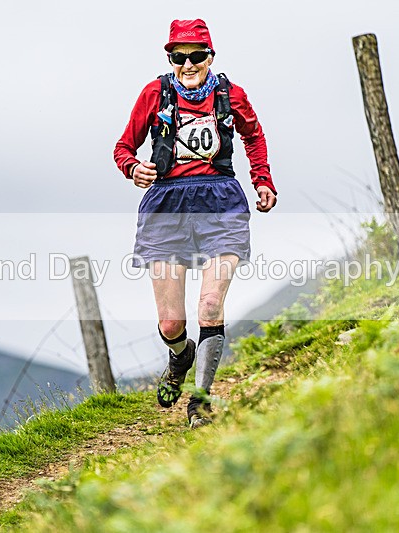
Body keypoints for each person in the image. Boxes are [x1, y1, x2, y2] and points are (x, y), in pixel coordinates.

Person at [114, 19, 277, 429]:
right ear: (169, 57)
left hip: (220, 200)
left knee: (209, 304)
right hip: (166, 205)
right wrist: (133, 168)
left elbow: (253, 136)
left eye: (196, 56)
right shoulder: (155, 93)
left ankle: (200, 403)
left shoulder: (230, 95)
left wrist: (262, 181)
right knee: (171, 322)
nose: (187, 65)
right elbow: (123, 147)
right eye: (178, 57)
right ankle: (180, 355)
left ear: (210, 56)